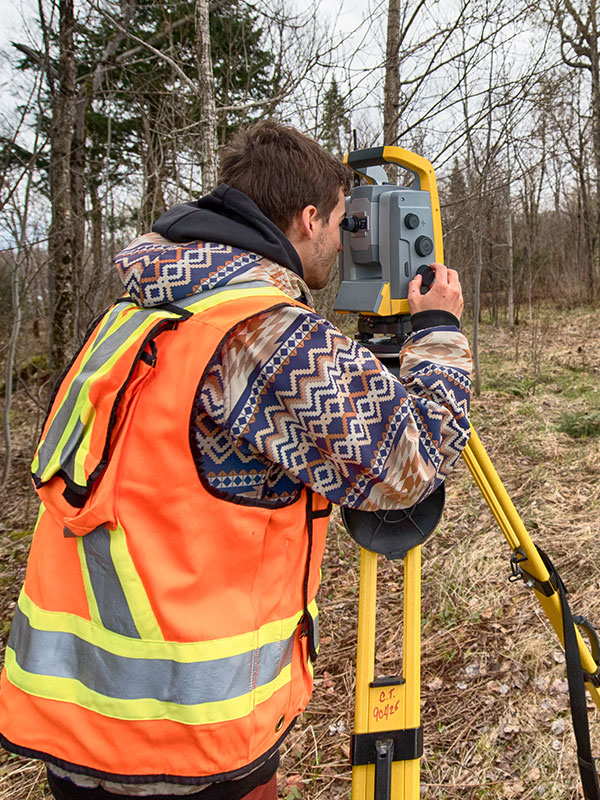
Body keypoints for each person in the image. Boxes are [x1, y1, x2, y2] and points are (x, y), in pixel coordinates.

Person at [0, 121, 471, 800]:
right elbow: (413, 462)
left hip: (81, 724)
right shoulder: (264, 332)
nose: (345, 243)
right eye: (341, 223)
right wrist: (436, 331)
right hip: (187, 740)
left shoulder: (141, 308)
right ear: (308, 218)